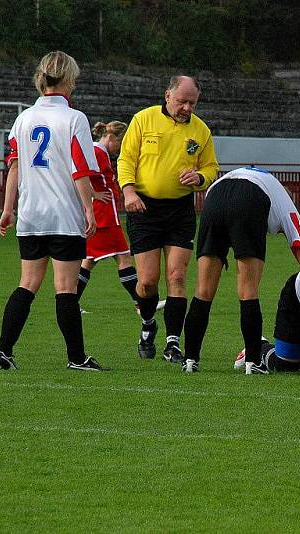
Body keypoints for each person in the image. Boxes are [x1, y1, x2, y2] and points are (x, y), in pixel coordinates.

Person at [0, 50, 105, 371]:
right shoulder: (74, 119)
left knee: (27, 283)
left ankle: (3, 352)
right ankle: (77, 358)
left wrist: (7, 209)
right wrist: (89, 209)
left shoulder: (23, 119)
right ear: (69, 80)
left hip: (30, 215)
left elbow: (13, 167)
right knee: (66, 288)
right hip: (63, 216)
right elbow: (80, 169)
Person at [182, 166, 300, 373]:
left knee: (203, 291)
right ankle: (253, 362)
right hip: (250, 197)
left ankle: (190, 360)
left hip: (214, 196)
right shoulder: (287, 206)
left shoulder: (263, 181)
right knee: (248, 291)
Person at [117, 75, 218, 363]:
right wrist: (129, 192)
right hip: (143, 209)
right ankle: (148, 324)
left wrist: (199, 177)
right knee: (147, 282)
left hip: (180, 210)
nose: (187, 107)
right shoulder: (143, 120)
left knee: (177, 275)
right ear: (167, 96)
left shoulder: (201, 131)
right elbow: (125, 159)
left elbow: (211, 167)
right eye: (182, 101)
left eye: (192, 103)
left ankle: (173, 343)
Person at [76, 120, 164, 314]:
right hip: (104, 215)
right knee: (123, 257)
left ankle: (70, 302)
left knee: (89, 259)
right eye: (120, 143)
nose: (120, 148)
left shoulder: (99, 152)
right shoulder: (97, 152)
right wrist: (94, 194)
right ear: (111, 137)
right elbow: (78, 173)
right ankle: (141, 303)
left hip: (104, 213)